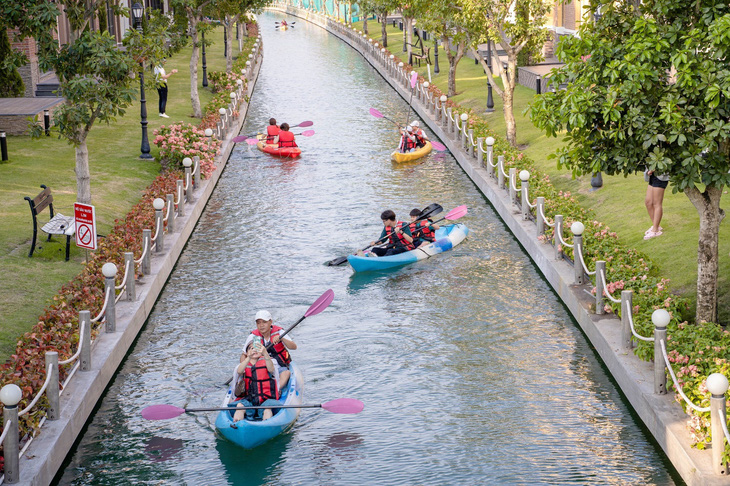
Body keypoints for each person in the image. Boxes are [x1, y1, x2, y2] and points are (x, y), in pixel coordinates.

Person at [242, 310, 297, 390]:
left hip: (279, 366)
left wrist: (282, 339)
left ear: (270, 322)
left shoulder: (280, 332)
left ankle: (277, 390)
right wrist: (244, 368)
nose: (261, 325)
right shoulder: (253, 336)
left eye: (264, 322)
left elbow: (294, 347)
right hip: (261, 367)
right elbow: (244, 354)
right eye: (258, 323)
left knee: (286, 373)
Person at [230, 339, 282, 422]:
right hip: (248, 400)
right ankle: (236, 423)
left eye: (257, 348)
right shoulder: (243, 364)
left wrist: (265, 353)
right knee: (240, 406)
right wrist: (248, 357)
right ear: (246, 353)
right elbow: (239, 371)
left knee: (267, 409)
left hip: (265, 400)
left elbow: (271, 369)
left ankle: (266, 423)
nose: (254, 350)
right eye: (251, 348)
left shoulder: (269, 361)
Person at [644, 169, 669, 240]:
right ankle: (657, 226)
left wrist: (653, 169)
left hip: (661, 175)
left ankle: (655, 230)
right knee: (648, 202)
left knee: (656, 203)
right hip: (652, 175)